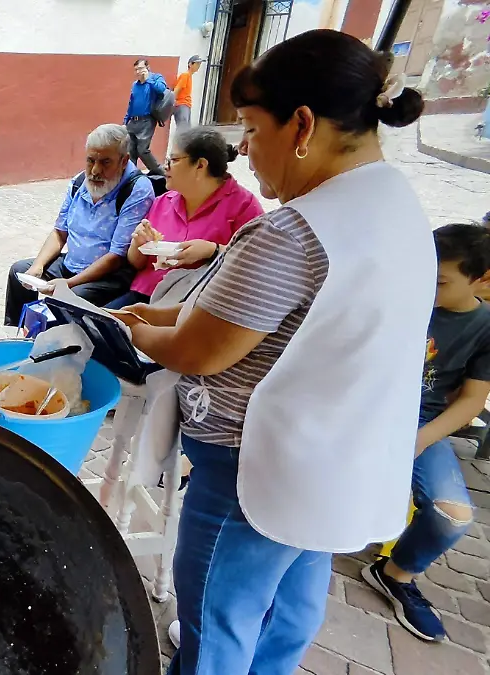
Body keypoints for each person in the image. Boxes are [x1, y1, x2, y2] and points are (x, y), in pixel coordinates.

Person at [115, 30, 430, 673]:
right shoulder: (393, 203)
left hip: (252, 471)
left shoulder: (291, 230)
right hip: (331, 463)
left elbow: (200, 352)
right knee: (288, 610)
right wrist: (169, 313)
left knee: (216, 620)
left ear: (303, 125)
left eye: (253, 132)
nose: (245, 153)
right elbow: (270, 317)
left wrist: (136, 330)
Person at [361, 224, 488, 642]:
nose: (426, 282)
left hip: (418, 422)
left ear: (479, 279)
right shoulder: (400, 293)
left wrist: (421, 439)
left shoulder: (483, 327)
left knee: (453, 516)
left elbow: (471, 401)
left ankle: (395, 573)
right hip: (361, 403)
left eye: (441, 280)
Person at [4, 124, 156, 325]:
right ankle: (22, 332)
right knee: (19, 273)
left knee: (66, 299)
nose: (95, 170)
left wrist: (68, 284)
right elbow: (60, 233)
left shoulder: (137, 190)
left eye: (105, 162)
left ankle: (56, 345)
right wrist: (38, 266)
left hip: (109, 275)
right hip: (72, 264)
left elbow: (116, 256)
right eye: (91, 160)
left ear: (124, 161)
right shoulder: (78, 182)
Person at [105, 127, 264, 309]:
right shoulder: (163, 201)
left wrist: (212, 251)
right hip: (145, 294)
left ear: (200, 165)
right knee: (89, 325)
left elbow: (256, 266)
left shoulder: (243, 205)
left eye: (173, 160)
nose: (165, 167)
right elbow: (137, 262)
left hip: (195, 305)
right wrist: (139, 244)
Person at [124, 58, 168, 176]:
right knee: (130, 151)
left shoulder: (156, 78)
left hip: (147, 120)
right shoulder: (135, 85)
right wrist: (126, 120)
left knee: (142, 150)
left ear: (147, 68)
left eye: (140, 69)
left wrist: (148, 79)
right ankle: (130, 176)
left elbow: (162, 89)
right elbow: (131, 103)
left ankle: (160, 173)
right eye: (136, 70)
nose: (138, 72)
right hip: (133, 121)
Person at [172, 56, 205, 130]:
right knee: (183, 129)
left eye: (199, 64)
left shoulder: (188, 76)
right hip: (182, 105)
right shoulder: (185, 75)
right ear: (190, 64)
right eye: (197, 64)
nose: (198, 66)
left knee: (186, 129)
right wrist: (172, 102)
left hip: (185, 105)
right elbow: (177, 89)